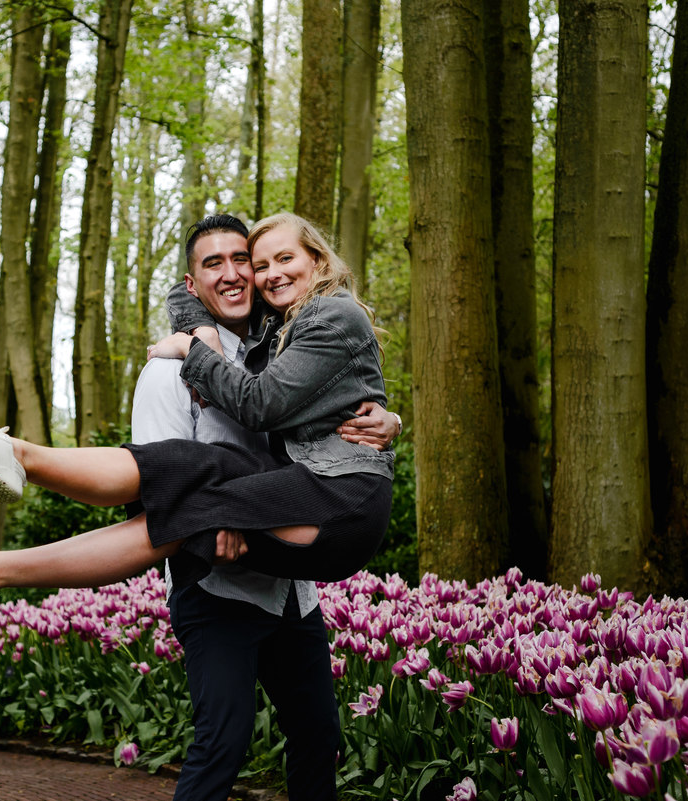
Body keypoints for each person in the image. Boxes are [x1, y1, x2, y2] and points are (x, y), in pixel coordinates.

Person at [0, 212, 395, 624]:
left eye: (284, 259)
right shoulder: (278, 319)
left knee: (187, 492)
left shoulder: (330, 314)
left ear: (318, 259)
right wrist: (200, 328)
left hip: (341, 501)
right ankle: (9, 473)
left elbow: (261, 404)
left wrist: (191, 349)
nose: (268, 274)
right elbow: (191, 291)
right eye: (261, 266)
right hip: (312, 486)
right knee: (196, 465)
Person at [133, 213, 398, 801]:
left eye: (241, 261)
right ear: (191, 283)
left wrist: (390, 420)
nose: (234, 275)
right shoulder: (167, 370)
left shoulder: (276, 342)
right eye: (214, 265)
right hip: (218, 584)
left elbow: (327, 406)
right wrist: (220, 520)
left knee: (317, 738)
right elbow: (156, 477)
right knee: (222, 744)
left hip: (288, 589)